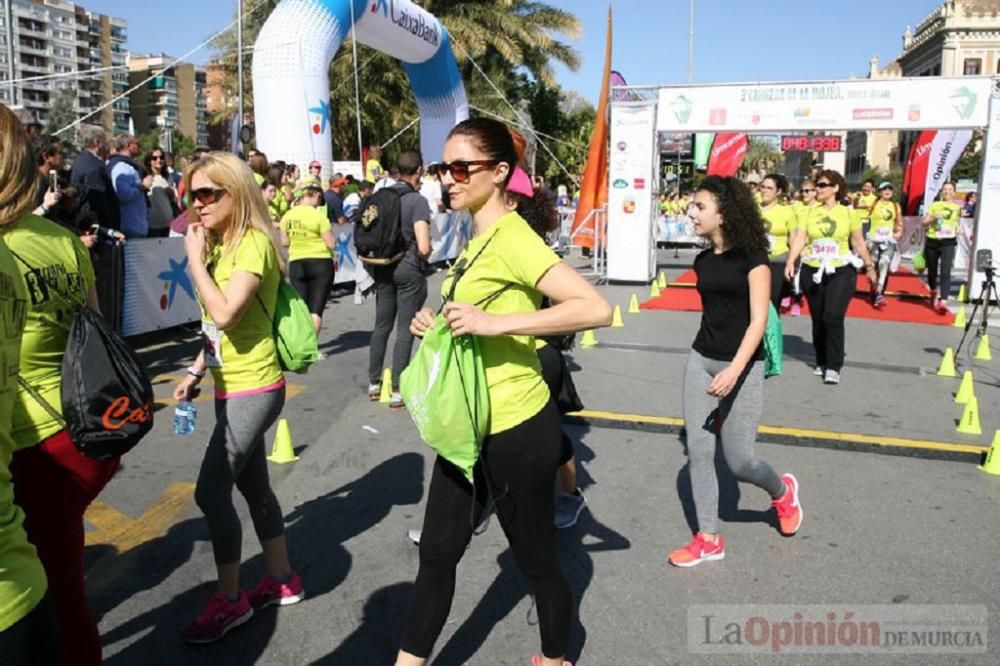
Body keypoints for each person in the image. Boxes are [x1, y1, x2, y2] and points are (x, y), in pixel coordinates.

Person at [395, 118, 613, 666]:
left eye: (461, 167)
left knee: (536, 562)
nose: (448, 177)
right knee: (438, 555)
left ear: (498, 172)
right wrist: (439, 322)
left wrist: (496, 324)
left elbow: (596, 309)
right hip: (468, 425)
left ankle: (555, 656)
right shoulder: (477, 233)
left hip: (518, 428)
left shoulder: (514, 236)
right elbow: (478, 309)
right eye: (444, 167)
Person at [172, 152, 302, 644]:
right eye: (193, 196)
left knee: (210, 492)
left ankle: (230, 601)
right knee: (253, 489)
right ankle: (283, 578)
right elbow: (215, 328)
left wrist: (191, 259)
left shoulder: (251, 244)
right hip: (231, 384)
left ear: (237, 193)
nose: (198, 205)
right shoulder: (222, 246)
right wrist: (196, 368)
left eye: (209, 194)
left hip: (256, 387)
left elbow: (225, 312)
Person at [667, 175, 802, 569]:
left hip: (742, 365)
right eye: (692, 206)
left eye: (700, 207)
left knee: (740, 462)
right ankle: (708, 538)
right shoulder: (703, 260)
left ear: (722, 213)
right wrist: (711, 366)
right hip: (700, 359)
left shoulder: (754, 259)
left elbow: (758, 321)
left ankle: (782, 491)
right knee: (699, 451)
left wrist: (735, 370)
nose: (691, 212)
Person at [6, 177, 115, 666]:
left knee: (51, 590)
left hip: (30, 441)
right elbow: (93, 329)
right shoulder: (63, 238)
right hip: (77, 424)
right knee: (65, 581)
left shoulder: (6, 245)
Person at [0, 102, 57, 666]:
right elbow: (94, 327)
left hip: (37, 436)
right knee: (66, 569)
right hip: (67, 423)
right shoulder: (45, 243)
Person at [785, 170, 878, 385]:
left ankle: (834, 366)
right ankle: (822, 360)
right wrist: (791, 261)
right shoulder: (809, 212)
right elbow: (800, 237)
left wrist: (869, 266)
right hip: (813, 268)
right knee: (818, 318)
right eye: (817, 185)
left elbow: (858, 242)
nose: (818, 189)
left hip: (841, 269)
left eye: (823, 185)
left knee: (832, 316)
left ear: (836, 188)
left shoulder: (848, 213)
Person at [367, 150, 432, 409]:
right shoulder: (417, 201)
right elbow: (424, 246)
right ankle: (396, 389)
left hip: (382, 267)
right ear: (419, 171)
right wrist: (424, 255)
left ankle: (373, 383)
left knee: (381, 325)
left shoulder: (381, 196)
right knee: (405, 328)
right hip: (407, 268)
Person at [279, 176, 334, 334]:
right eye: (320, 198)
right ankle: (312, 347)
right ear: (316, 195)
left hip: (297, 262)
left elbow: (284, 242)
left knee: (302, 308)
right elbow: (331, 243)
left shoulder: (287, 216)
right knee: (316, 310)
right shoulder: (318, 216)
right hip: (320, 262)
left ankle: (302, 346)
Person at [69, 125, 120, 231]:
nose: (108, 145)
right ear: (97, 142)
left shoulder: (83, 160)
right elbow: (99, 204)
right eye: (105, 141)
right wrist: (109, 231)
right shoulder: (93, 168)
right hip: (97, 229)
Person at [758, 173, 797, 309]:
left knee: (772, 301)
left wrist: (792, 262)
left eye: (769, 188)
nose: (764, 191)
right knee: (755, 301)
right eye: (762, 187)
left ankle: (772, 330)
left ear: (778, 191)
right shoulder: (752, 209)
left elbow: (793, 238)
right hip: (756, 260)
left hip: (778, 260)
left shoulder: (787, 212)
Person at [923, 182, 962, 313]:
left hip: (948, 242)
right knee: (932, 271)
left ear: (954, 192)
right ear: (941, 192)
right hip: (933, 241)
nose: (947, 191)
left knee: (946, 271)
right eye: (945, 189)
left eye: (950, 189)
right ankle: (933, 290)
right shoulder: (934, 205)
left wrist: (958, 228)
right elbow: (924, 223)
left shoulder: (957, 207)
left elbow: (956, 222)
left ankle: (943, 300)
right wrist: (933, 218)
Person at [866, 182, 903, 308]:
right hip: (874, 239)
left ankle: (879, 293)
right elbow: (861, 212)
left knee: (884, 264)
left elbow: (899, 222)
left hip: (888, 240)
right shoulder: (873, 203)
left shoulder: (895, 205)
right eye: (884, 189)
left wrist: (898, 233)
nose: (887, 191)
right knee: (873, 265)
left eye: (890, 189)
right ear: (879, 192)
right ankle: (873, 289)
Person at [107, 134, 151, 239]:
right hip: (130, 225)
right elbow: (123, 194)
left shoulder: (129, 165)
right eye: (137, 143)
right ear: (128, 146)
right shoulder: (121, 166)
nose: (140, 146)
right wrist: (142, 186)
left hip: (136, 224)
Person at [145, 147, 179, 238]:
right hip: (152, 224)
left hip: (168, 222)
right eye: (155, 158)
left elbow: (174, 199)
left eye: (161, 157)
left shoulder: (168, 177)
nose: (159, 160)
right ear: (149, 161)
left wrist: (172, 195)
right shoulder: (145, 177)